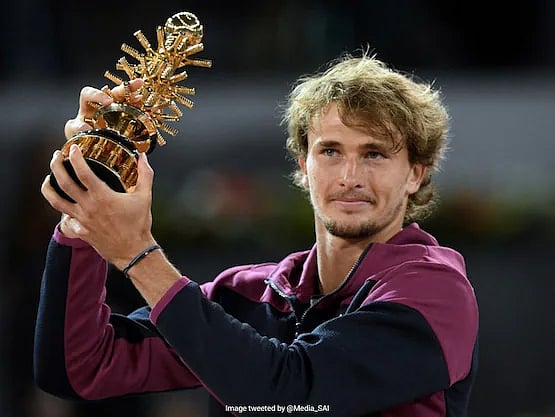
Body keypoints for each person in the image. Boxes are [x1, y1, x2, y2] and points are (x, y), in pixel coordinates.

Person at [35, 53, 479, 417]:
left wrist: (138, 254)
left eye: (374, 154)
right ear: (303, 166)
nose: (349, 176)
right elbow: (78, 368)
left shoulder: (434, 293)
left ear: (416, 175)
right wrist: (85, 214)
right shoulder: (247, 295)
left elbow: (289, 396)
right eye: (330, 151)